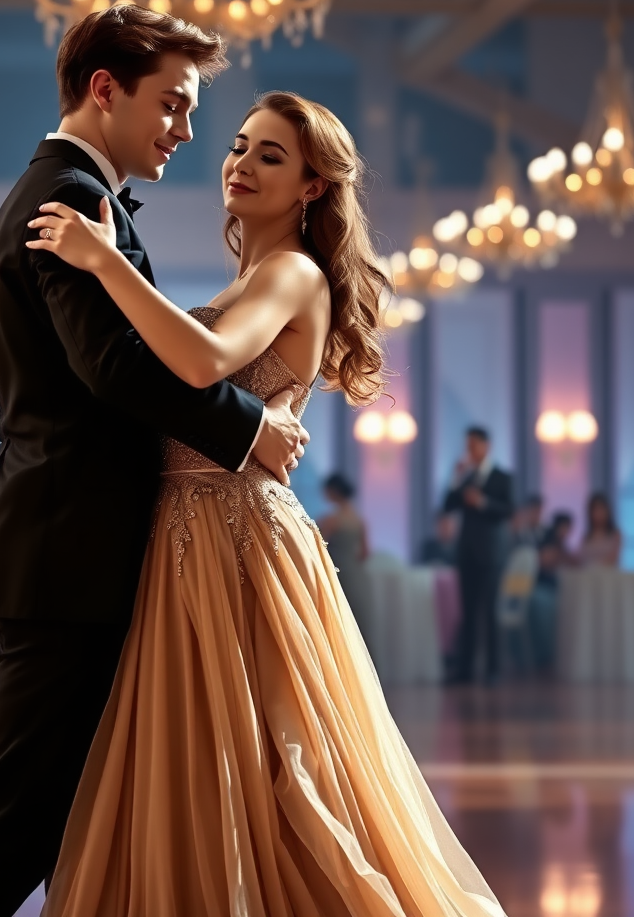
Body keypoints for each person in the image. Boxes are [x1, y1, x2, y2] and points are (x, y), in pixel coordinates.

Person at [27, 92, 505, 915]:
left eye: (271, 157)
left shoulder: (291, 272)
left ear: (314, 187)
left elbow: (203, 360)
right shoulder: (257, 276)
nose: (241, 164)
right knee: (205, 763)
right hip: (187, 533)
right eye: (240, 147)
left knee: (274, 765)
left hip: (237, 538)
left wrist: (105, 263)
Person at [0, 7, 308, 917]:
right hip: (64, 555)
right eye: (172, 105)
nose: (187, 131)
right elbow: (116, 369)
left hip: (64, 547)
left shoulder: (57, 191)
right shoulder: (72, 200)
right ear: (104, 89)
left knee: (76, 819)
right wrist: (248, 428)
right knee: (17, 825)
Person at [442, 427, 515, 685]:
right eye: (468, 445)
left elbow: (509, 509)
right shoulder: (466, 477)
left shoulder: (502, 477)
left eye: (474, 445)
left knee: (490, 611)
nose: (470, 451)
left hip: (492, 554)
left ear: (486, 446)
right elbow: (447, 505)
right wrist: (455, 478)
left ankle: (493, 671)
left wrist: (482, 502)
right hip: (467, 552)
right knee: (468, 612)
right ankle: (465, 670)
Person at [317, 473, 373, 642]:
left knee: (339, 620)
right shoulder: (359, 519)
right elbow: (365, 553)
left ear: (334, 491)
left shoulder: (331, 520)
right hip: (357, 574)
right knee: (358, 621)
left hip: (338, 573)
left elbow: (319, 548)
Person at [531, 511, 576, 674]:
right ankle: (547, 656)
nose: (567, 531)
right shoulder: (549, 542)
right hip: (542, 588)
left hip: (553, 589)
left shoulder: (561, 545)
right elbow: (545, 563)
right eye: (565, 527)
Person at [578, 491, 621, 566]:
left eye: (601, 509)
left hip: (609, 575)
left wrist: (592, 565)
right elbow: (579, 559)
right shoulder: (586, 537)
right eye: (595, 510)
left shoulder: (615, 535)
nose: (599, 514)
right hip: (587, 575)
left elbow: (612, 559)